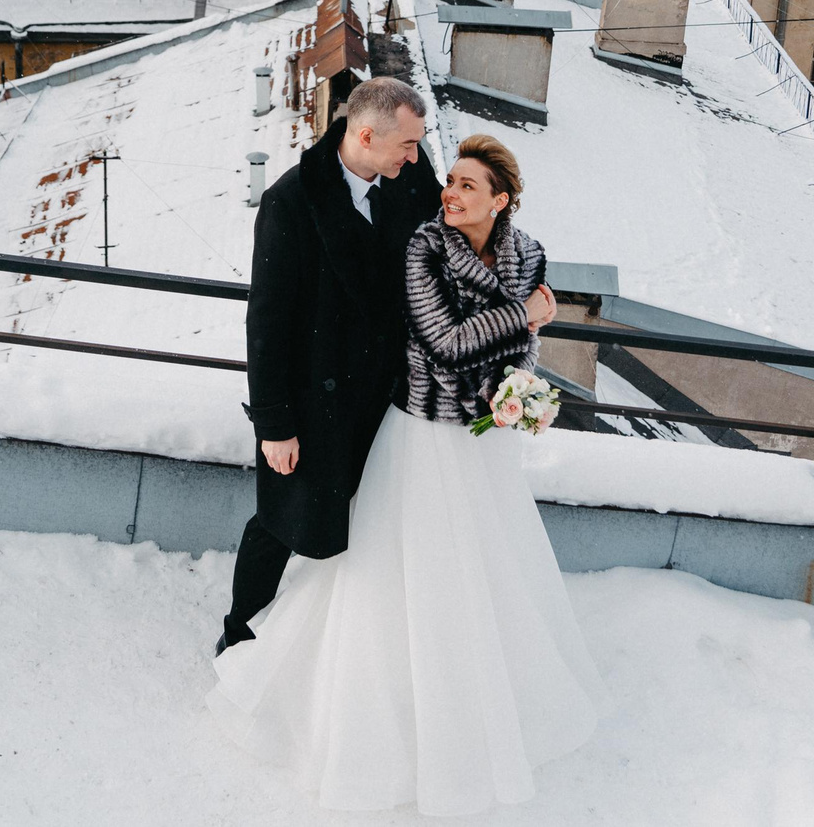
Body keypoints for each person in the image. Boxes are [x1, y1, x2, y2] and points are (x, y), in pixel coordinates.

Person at [208, 133, 600, 816]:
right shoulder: (425, 248)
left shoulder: (529, 254)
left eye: (467, 185)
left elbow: (524, 349)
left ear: (501, 200)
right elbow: (444, 344)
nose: (449, 192)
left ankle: (471, 697)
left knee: (479, 570)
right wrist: (525, 315)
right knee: (398, 569)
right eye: (451, 180)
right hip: (422, 428)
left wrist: (517, 390)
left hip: (484, 441)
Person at [218, 76, 442, 657]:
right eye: (407, 144)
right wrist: (274, 425)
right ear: (365, 136)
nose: (415, 156)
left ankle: (357, 645)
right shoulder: (291, 201)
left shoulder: (409, 173)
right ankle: (238, 632)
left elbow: (454, 240)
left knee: (377, 520)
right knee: (280, 523)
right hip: (317, 404)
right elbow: (267, 322)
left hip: (390, 397)